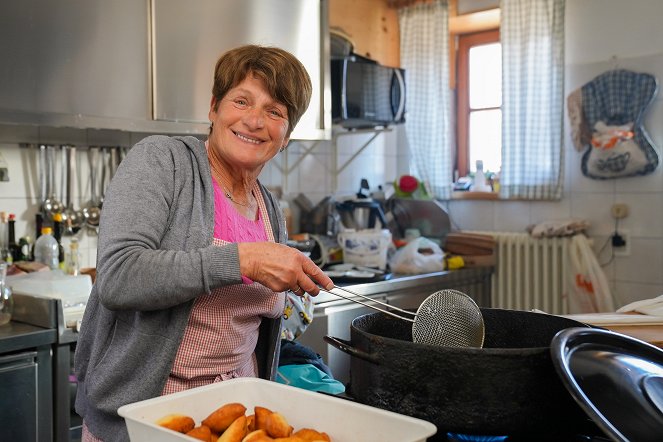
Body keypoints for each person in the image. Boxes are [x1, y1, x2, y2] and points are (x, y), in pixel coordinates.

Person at [74, 44, 334, 441]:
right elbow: (119, 276)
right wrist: (242, 260)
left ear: (286, 136)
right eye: (241, 101)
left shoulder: (270, 208)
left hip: (233, 417)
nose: (254, 120)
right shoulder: (163, 162)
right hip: (149, 417)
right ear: (214, 108)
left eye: (274, 111)